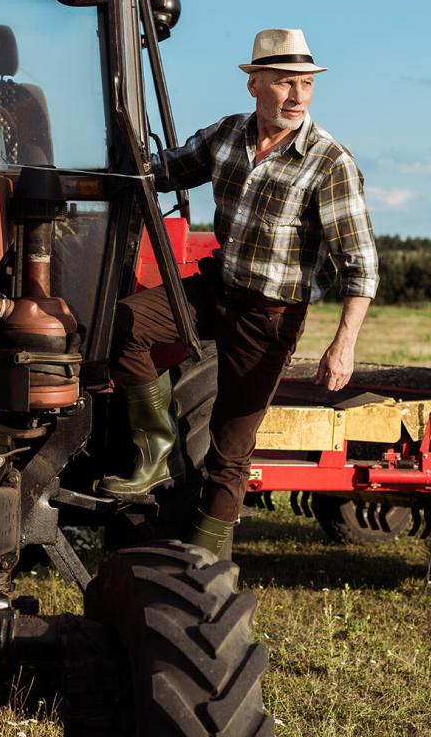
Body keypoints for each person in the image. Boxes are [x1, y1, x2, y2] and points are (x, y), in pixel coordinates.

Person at [100, 27, 379, 556]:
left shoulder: (329, 162)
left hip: (270, 317)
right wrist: (106, 159)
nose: (297, 96)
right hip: (218, 288)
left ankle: (207, 563)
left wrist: (343, 345)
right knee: (124, 325)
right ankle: (156, 447)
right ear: (254, 85)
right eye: (283, 83)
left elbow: (360, 264)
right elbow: (160, 172)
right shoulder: (226, 136)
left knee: (229, 450)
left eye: (306, 84)